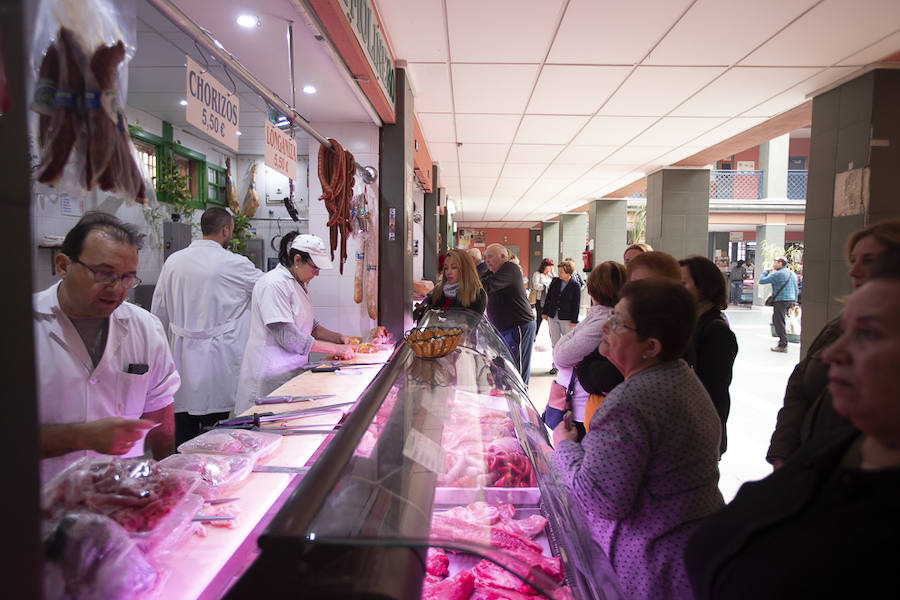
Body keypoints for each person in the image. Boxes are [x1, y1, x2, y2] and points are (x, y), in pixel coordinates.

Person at [685, 246, 900, 599]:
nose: (833, 355)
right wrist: (785, 450)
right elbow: (799, 386)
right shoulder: (832, 454)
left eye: (869, 334)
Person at [552, 279, 723, 600]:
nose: (605, 326)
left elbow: (600, 499)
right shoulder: (681, 376)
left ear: (651, 346)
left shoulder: (630, 402)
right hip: (690, 553)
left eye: (618, 322)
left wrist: (563, 446)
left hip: (654, 568)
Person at [35, 212, 179, 481]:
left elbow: (160, 414)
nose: (116, 289)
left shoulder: (145, 328)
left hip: (119, 497)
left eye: (127, 278)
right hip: (37, 504)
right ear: (63, 265)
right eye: (104, 273)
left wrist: (168, 481)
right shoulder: (20, 327)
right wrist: (83, 436)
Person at [766, 219, 900, 468]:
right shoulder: (838, 325)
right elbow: (799, 385)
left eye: (869, 261)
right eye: (854, 260)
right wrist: (782, 452)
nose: (854, 270)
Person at [151, 207, 263, 446]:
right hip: (218, 358)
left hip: (179, 354)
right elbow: (267, 290)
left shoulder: (173, 261)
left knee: (183, 425)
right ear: (226, 230)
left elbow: (158, 310)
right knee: (215, 428)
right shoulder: (234, 263)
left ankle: (182, 471)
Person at [234, 232, 356, 415]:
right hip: (267, 378)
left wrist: (339, 338)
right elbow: (288, 337)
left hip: (288, 371)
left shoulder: (299, 282)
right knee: (265, 431)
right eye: (315, 268)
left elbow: (310, 325)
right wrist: (335, 349)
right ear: (297, 260)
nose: (317, 274)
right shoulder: (273, 284)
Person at [549, 260, 626, 435]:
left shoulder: (604, 320)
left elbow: (561, 356)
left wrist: (571, 336)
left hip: (584, 410)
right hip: (581, 404)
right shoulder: (599, 316)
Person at [680, 256, 738, 455]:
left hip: (699, 433)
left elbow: (711, 391)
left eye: (684, 283)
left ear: (704, 287)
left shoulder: (716, 331)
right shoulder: (689, 323)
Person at [482, 243, 537, 386]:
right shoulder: (492, 272)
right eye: (485, 257)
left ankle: (521, 403)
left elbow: (485, 287)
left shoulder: (510, 268)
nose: (487, 260)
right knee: (504, 367)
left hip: (518, 325)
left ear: (503, 256)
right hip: (505, 328)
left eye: (490, 256)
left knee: (516, 370)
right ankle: (507, 397)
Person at [414, 248, 486, 318]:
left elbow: (471, 324)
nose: (449, 272)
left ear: (465, 269)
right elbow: (425, 318)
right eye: (446, 268)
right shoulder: (438, 290)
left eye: (454, 267)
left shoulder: (477, 294)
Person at [542, 260, 582, 375]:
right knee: (555, 342)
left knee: (568, 342)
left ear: (568, 272)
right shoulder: (555, 281)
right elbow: (549, 297)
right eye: (559, 271)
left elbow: (576, 304)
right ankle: (555, 365)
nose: (558, 274)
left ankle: (568, 364)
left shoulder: (575, 285)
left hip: (567, 318)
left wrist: (574, 320)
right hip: (553, 316)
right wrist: (545, 312)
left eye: (561, 272)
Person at [758, 256, 799, 353]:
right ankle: (783, 341)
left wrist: (767, 271)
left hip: (780, 301)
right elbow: (796, 289)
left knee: (778, 322)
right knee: (781, 321)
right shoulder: (792, 274)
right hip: (790, 300)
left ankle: (783, 345)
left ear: (780, 263)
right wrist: (795, 302)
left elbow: (762, 280)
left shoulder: (778, 274)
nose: (773, 264)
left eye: (775, 262)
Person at [531, 258, 554, 336]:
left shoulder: (550, 275)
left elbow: (556, 282)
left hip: (549, 299)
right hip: (540, 299)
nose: (550, 268)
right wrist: (545, 287)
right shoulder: (537, 274)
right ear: (545, 266)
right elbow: (536, 285)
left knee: (549, 318)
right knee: (540, 318)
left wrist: (553, 273)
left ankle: (548, 334)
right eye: (549, 266)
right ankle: (536, 334)